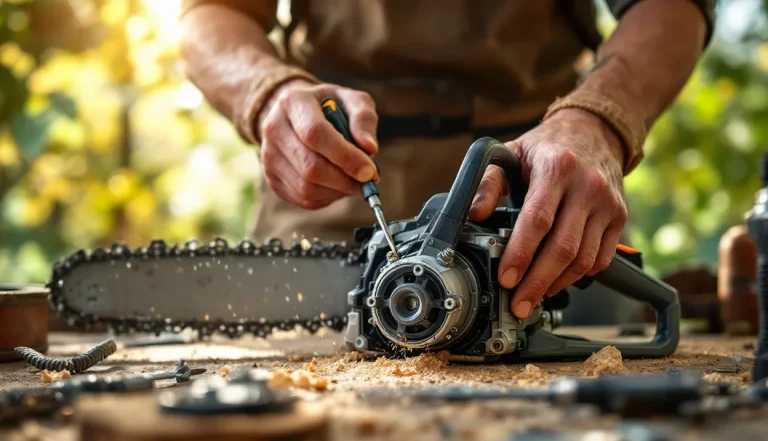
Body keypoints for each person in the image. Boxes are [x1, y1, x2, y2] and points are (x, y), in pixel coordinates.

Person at [179, 0, 714, 321]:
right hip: (327, 189)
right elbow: (211, 14)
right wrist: (270, 92)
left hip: (536, 194)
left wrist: (597, 119)